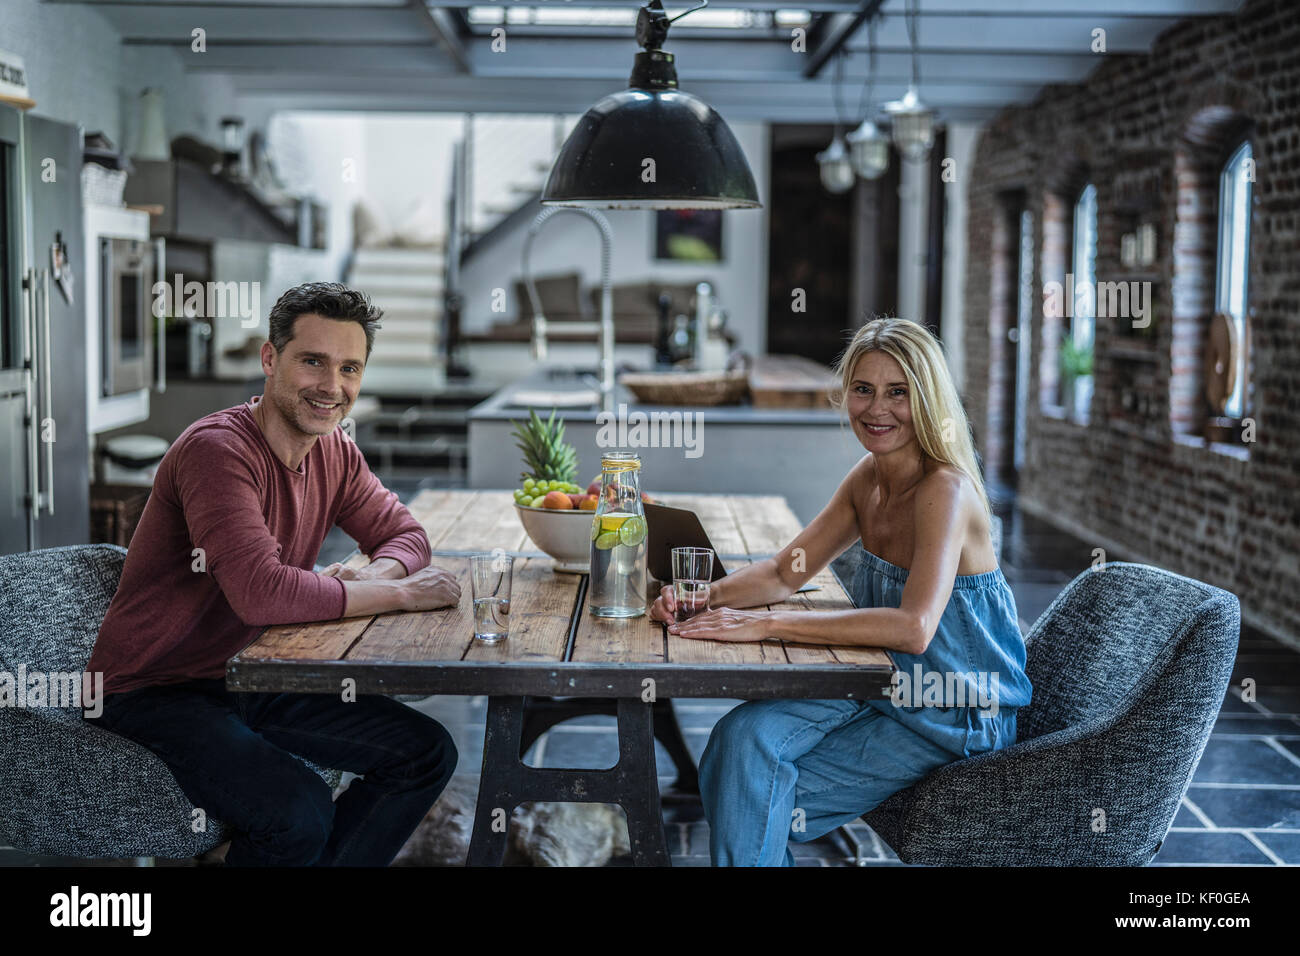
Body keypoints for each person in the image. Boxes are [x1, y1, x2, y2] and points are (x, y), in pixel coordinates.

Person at [84, 282, 462, 866]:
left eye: (349, 368)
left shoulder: (333, 448)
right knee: (298, 812)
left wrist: (371, 579)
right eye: (312, 361)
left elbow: (405, 536)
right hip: (155, 687)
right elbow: (261, 593)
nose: (332, 387)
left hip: (250, 672)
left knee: (425, 752)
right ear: (270, 359)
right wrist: (399, 592)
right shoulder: (218, 452)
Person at [650, 317, 1032, 866]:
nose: (877, 410)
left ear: (927, 398)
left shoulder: (944, 490)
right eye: (864, 390)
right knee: (740, 739)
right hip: (881, 681)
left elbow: (913, 627)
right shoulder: (868, 479)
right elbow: (785, 573)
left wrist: (768, 624)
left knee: (746, 792)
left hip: (956, 708)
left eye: (898, 392)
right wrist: (697, 597)